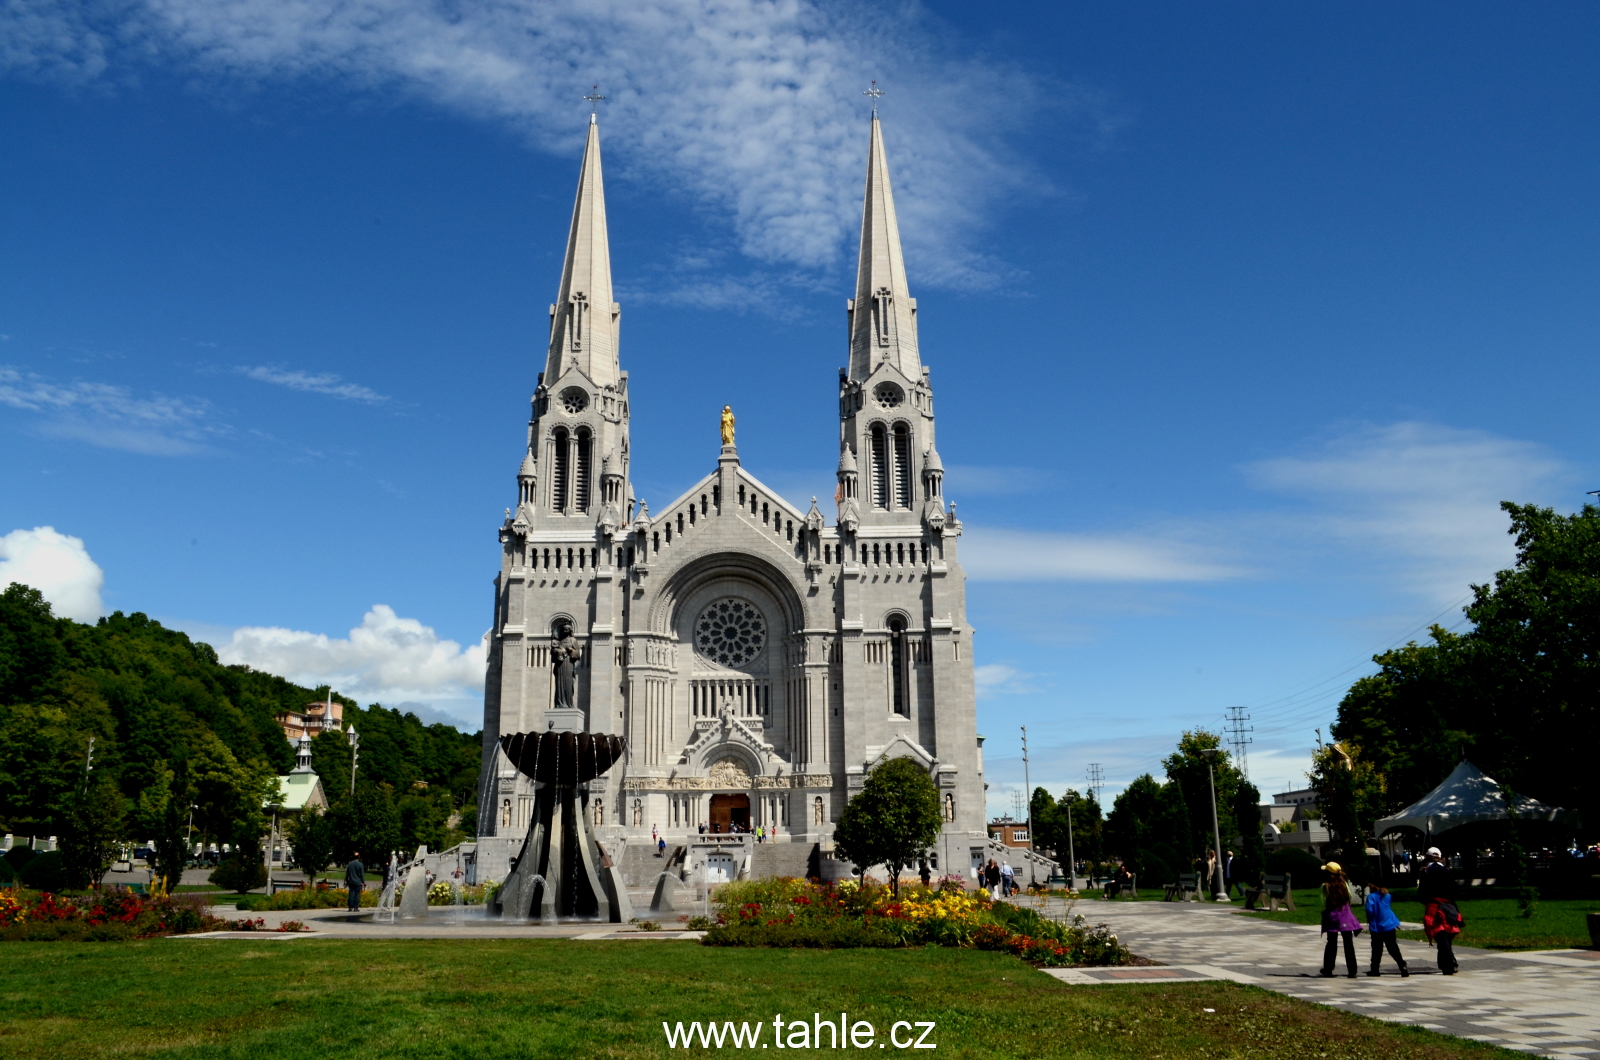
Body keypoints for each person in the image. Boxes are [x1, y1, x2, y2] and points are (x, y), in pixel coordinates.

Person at [1418, 846, 1462, 975]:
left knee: (1440, 934)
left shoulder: (1426, 872)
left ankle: (1449, 962)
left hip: (1434, 906)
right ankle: (1446, 962)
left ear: (1427, 857)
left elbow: (1421, 894)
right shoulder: (1447, 871)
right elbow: (1455, 890)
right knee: (1447, 934)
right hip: (1449, 906)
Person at [1318, 861, 1362, 978]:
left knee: (1331, 944)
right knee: (1348, 944)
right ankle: (1352, 970)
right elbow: (1350, 897)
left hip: (1332, 917)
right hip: (1345, 917)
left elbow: (1322, 902)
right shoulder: (1344, 884)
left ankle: (1328, 969)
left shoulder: (1325, 886)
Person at [1364, 882, 1409, 977]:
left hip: (1377, 926)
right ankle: (1402, 965)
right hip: (1389, 924)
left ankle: (1375, 969)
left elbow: (1369, 910)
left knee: (1376, 949)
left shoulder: (1371, 897)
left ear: (1372, 886)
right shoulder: (1387, 895)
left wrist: (1369, 918)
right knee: (1393, 947)